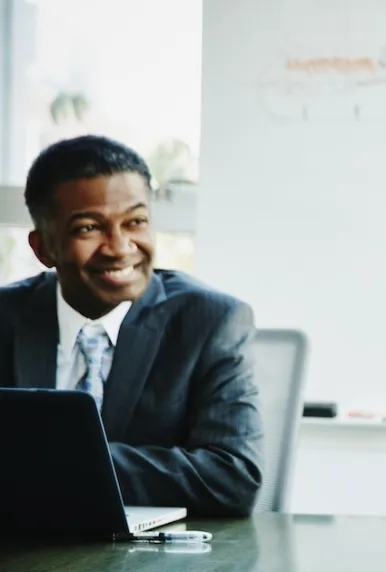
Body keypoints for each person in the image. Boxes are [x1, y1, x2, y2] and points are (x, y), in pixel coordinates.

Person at [0, 135, 263, 517]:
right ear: (44, 249)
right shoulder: (6, 317)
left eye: (135, 222)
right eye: (89, 228)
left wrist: (59, 463)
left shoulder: (210, 321)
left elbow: (232, 477)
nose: (121, 247)